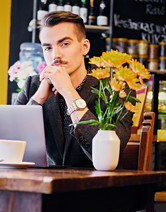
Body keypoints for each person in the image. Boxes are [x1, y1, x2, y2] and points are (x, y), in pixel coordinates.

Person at [16, 11, 134, 168]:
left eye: (64, 44)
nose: (55, 55)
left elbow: (108, 154)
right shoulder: (34, 86)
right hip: (42, 184)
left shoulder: (115, 89)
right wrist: (38, 100)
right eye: (48, 48)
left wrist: (69, 92)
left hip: (93, 187)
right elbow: (11, 142)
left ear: (84, 47)